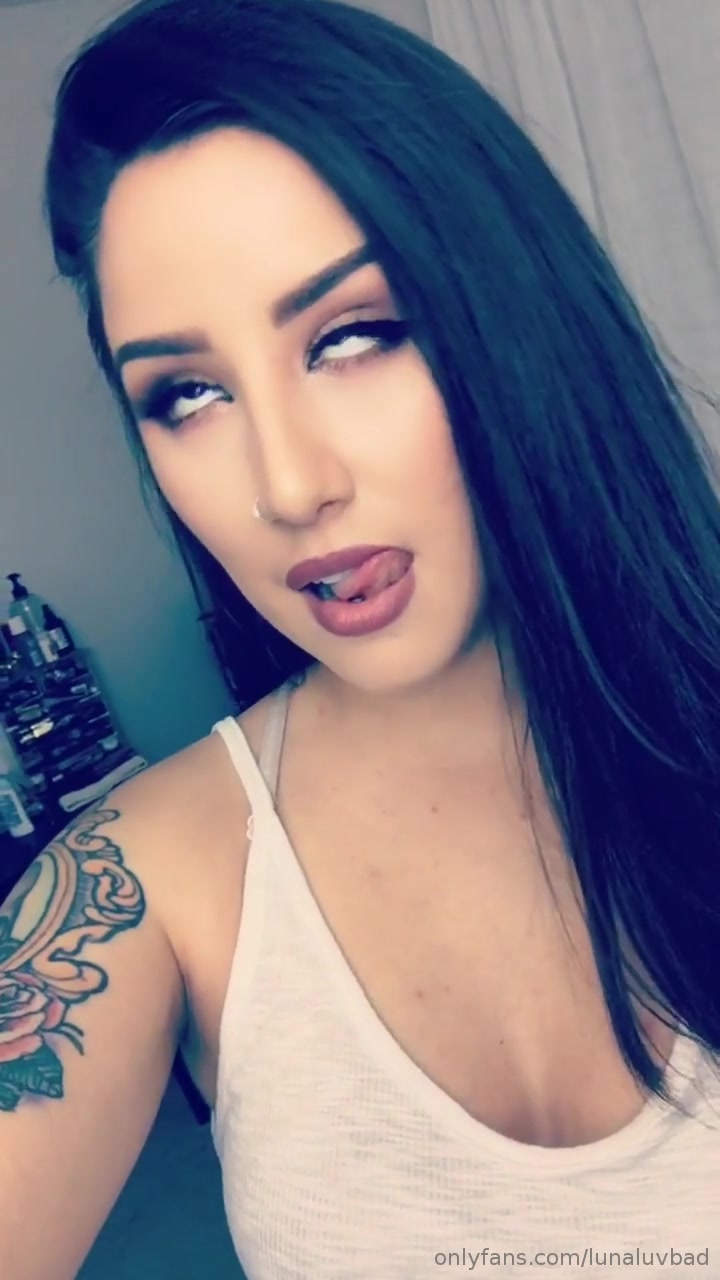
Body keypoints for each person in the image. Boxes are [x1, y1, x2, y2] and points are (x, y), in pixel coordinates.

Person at [2, 0, 719, 1275]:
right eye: (188, 394)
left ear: (518, 315)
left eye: (353, 336)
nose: (287, 486)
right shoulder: (143, 883)